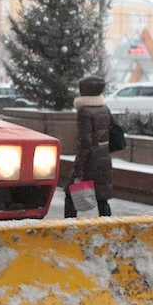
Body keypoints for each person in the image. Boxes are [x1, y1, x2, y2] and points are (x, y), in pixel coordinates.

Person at [67, 75, 113, 217]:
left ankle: (68, 227)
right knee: (102, 197)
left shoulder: (85, 112)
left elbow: (85, 143)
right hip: (104, 158)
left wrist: (79, 165)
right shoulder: (104, 109)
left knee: (69, 192)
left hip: (90, 161)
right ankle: (109, 227)